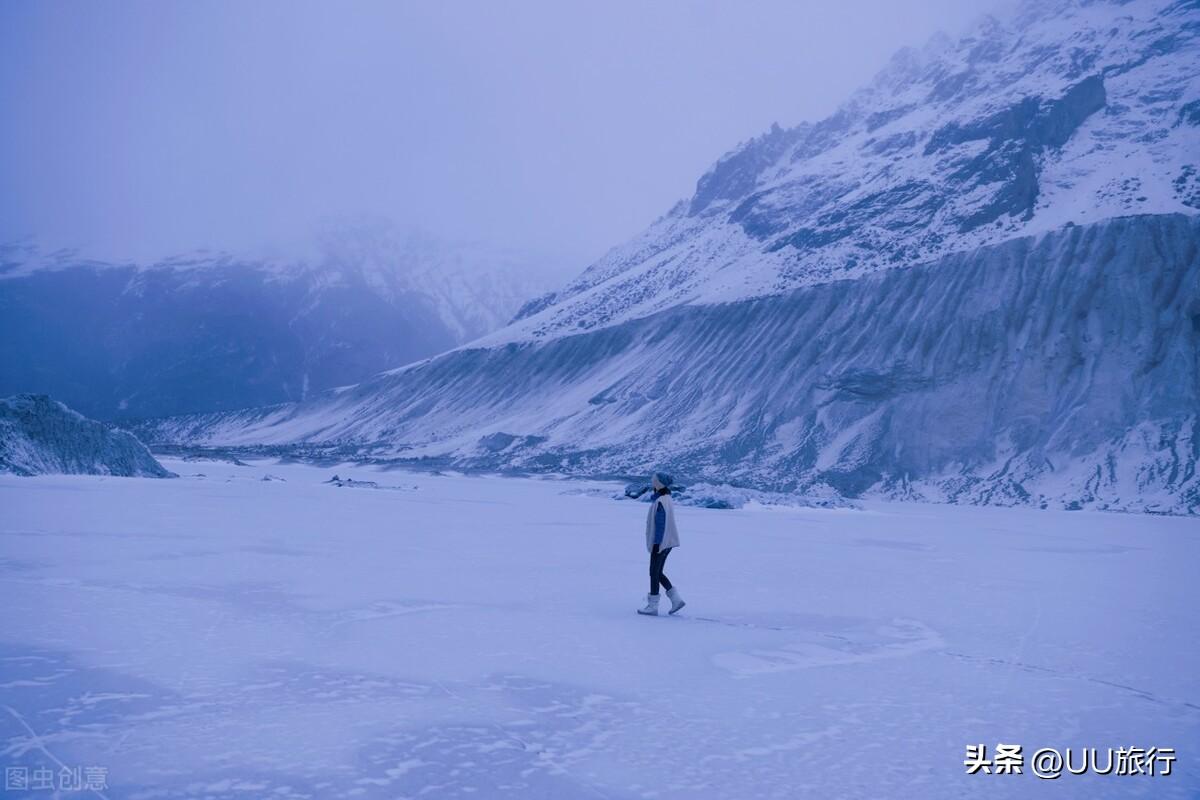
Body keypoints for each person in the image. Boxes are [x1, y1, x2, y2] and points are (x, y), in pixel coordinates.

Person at [637, 472, 686, 616]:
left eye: (654, 480)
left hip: (661, 543)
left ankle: (653, 606)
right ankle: (676, 600)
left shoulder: (661, 501)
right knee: (657, 572)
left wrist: (657, 544)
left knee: (654, 573)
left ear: (659, 483)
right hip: (667, 542)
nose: (652, 482)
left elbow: (660, 524)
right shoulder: (665, 498)